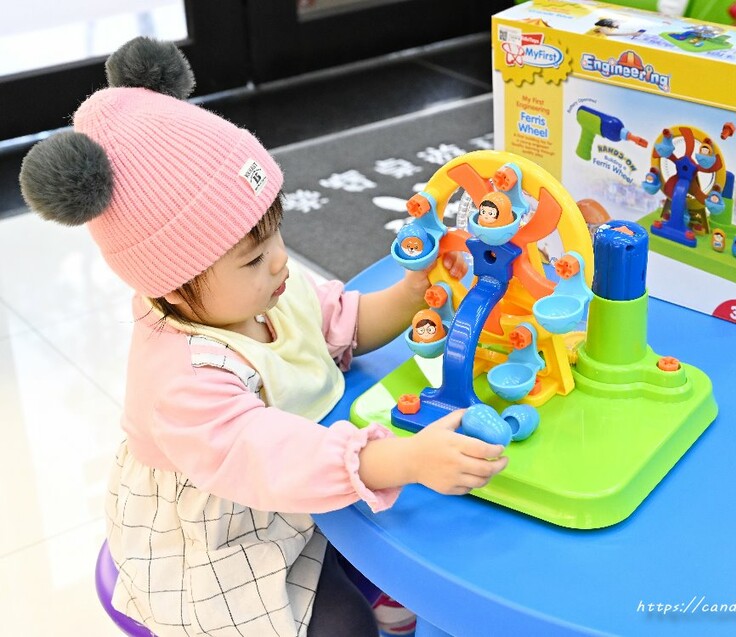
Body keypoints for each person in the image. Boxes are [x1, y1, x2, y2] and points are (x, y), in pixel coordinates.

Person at [19, 37, 508, 637]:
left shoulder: (265, 287)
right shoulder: (181, 379)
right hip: (221, 538)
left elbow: (339, 321)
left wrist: (409, 295)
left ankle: (374, 580)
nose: (279, 261)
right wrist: (406, 459)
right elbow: (272, 457)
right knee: (341, 625)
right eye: (252, 258)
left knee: (391, 541)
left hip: (301, 481)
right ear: (173, 285)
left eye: (276, 232)